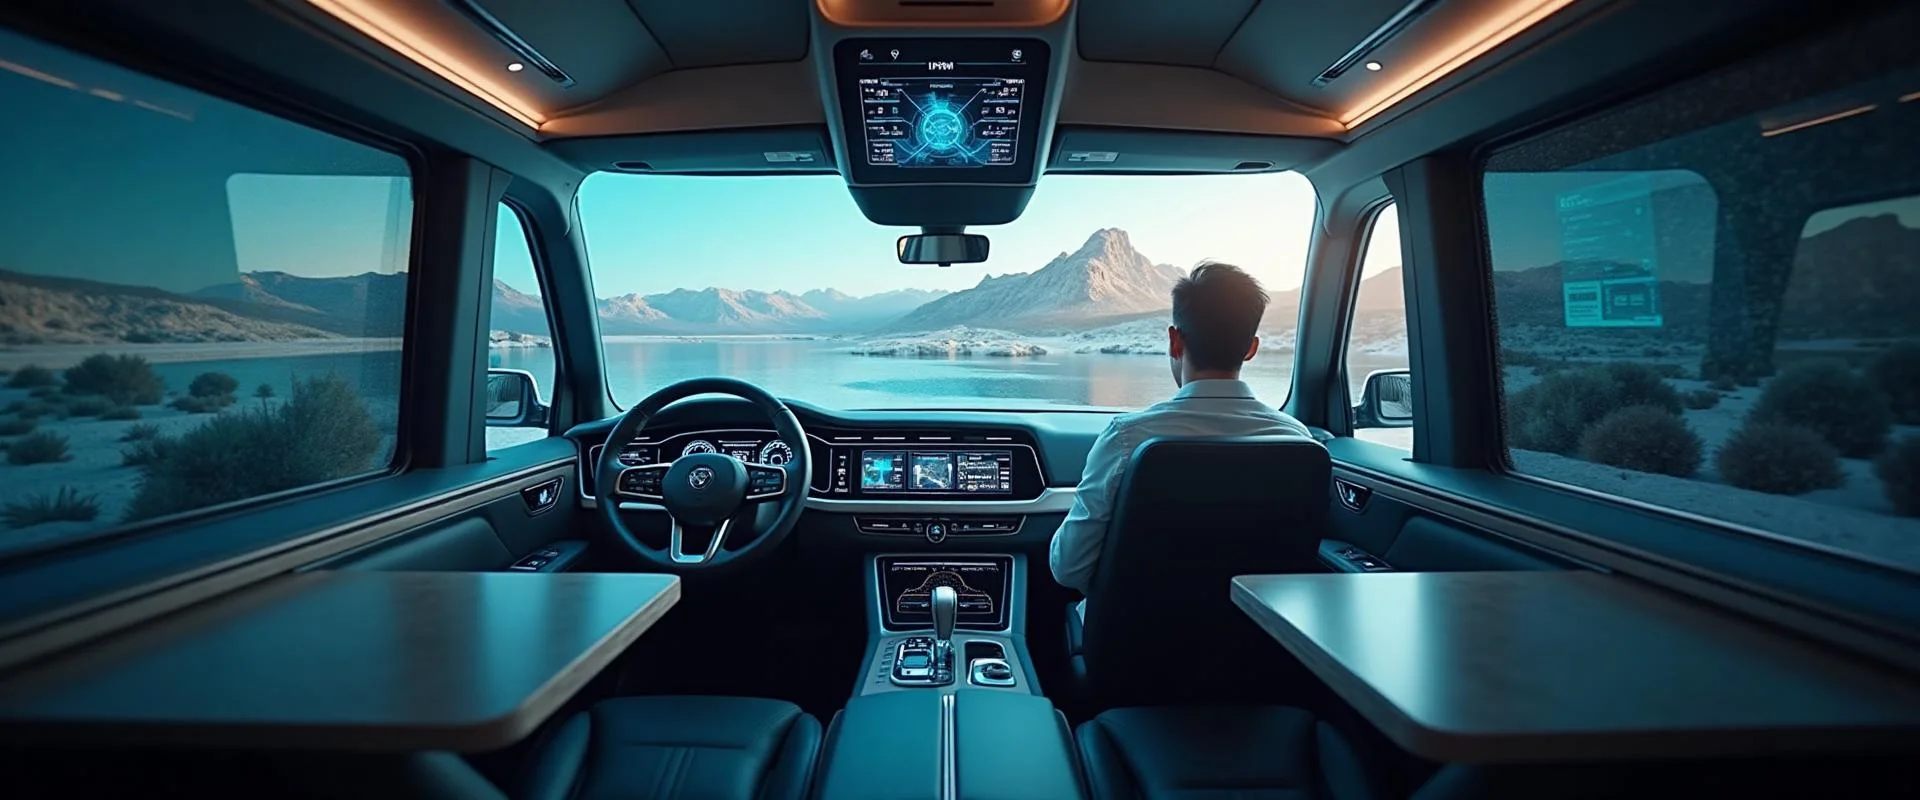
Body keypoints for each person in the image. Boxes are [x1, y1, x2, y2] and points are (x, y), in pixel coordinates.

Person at [1048, 262, 1311, 618]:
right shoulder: (1297, 442)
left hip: (1131, 652)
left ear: (1175, 341)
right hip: (1254, 653)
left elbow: (1068, 568)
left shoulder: (1127, 439)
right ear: (1251, 349)